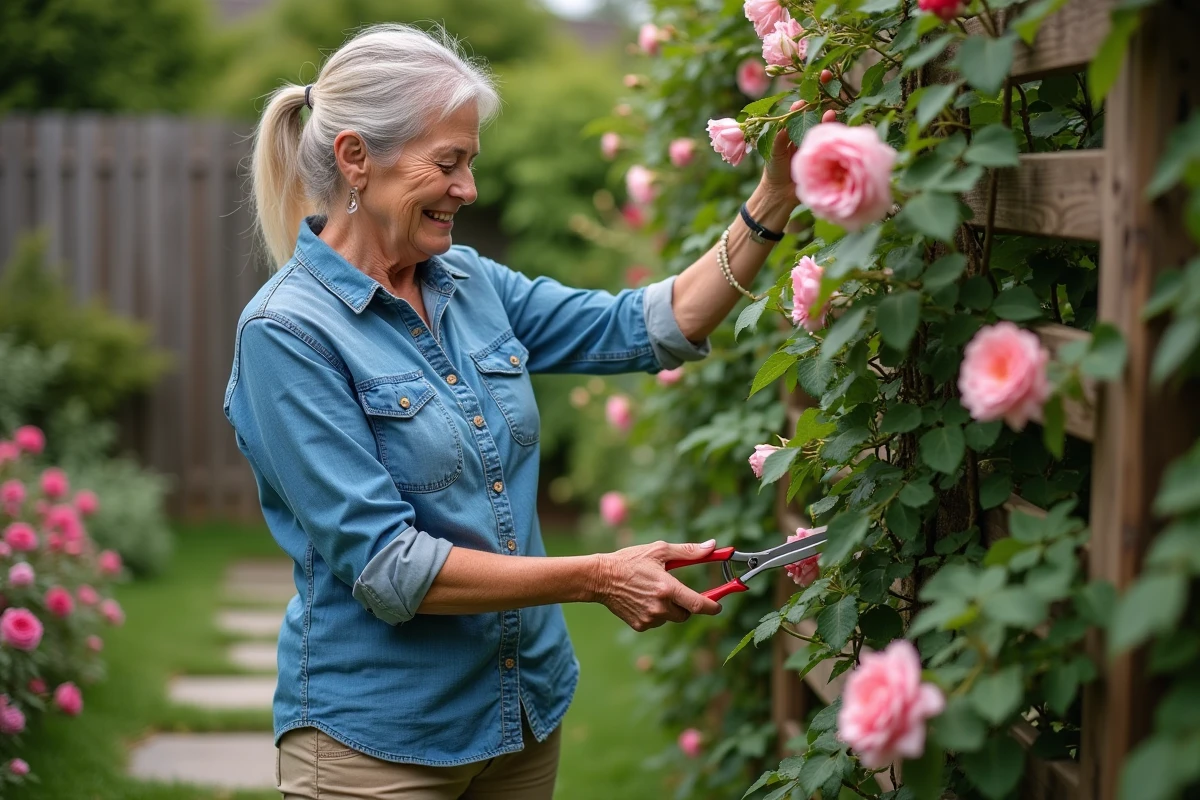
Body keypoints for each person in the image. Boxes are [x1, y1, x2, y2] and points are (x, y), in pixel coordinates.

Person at [224, 22, 799, 800]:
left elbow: (647, 326)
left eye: (471, 162)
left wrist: (774, 196)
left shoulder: (466, 281)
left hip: (522, 719)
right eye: (448, 162)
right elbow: (390, 568)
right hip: (379, 746)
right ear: (356, 157)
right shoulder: (287, 334)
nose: (468, 188)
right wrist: (599, 576)